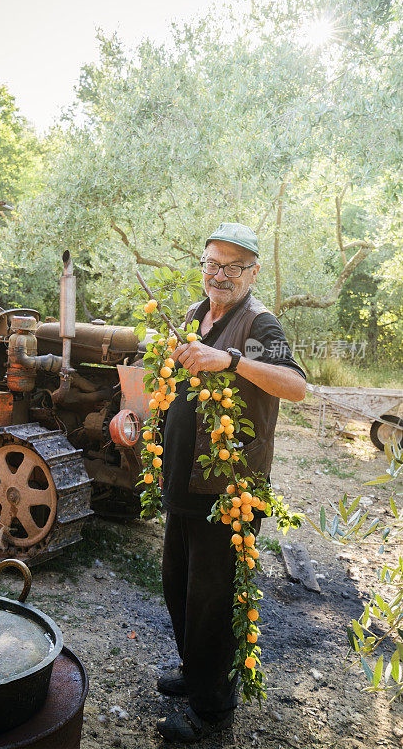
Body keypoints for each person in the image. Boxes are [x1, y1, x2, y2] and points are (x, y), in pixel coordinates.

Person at [156, 222, 306, 743]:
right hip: (183, 481)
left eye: (233, 267)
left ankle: (213, 708)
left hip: (230, 492)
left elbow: (297, 385)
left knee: (213, 601)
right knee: (178, 586)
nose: (219, 275)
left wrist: (233, 360)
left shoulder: (260, 325)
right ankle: (197, 674)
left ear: (253, 272)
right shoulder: (197, 314)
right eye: (212, 264)